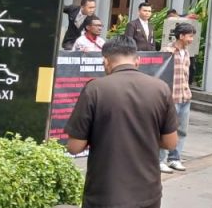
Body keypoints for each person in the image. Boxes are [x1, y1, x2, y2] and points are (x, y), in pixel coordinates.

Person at [65, 36, 178, 208]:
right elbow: (170, 143)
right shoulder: (161, 88)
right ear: (137, 60)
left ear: (105, 61)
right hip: (148, 193)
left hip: (105, 193)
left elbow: (74, 147)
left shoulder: (95, 89)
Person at [158, 23, 195, 173]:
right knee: (166, 130)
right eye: (190, 36)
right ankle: (160, 160)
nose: (192, 39)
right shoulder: (167, 51)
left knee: (181, 131)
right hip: (171, 98)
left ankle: (175, 158)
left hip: (184, 96)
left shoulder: (186, 52)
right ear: (181, 36)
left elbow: (186, 75)